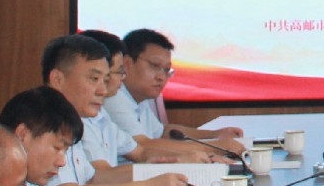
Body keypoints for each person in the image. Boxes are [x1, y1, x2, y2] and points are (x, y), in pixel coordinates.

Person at [42, 33, 194, 186]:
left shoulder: (71, 122)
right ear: (58, 79)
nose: (103, 91)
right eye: (94, 79)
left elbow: (95, 179)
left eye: (105, 80)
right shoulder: (43, 124)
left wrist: (166, 167)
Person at [0, 86, 147, 186]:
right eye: (57, 148)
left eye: (65, 151)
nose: (62, 162)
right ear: (23, 135)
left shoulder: (24, 185)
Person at [82, 27, 235, 163]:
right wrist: (215, 148)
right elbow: (143, 145)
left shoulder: (138, 98)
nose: (162, 77)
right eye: (155, 66)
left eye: (166, 70)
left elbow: (159, 135)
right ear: (127, 63)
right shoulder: (112, 98)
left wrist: (213, 136)